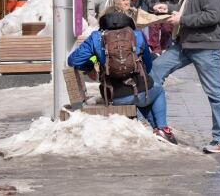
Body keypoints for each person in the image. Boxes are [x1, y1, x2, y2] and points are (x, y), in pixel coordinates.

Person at [151, 0, 220, 154]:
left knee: (214, 91)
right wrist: (168, 8)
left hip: (206, 44)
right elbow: (189, 9)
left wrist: (182, 19)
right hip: (186, 42)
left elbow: (212, 16)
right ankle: (155, 124)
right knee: (155, 71)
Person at [68, 9, 176, 143]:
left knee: (143, 94)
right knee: (157, 91)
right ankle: (162, 129)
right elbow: (148, 66)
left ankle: (158, 130)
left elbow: (73, 60)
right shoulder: (137, 35)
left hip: (115, 96)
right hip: (141, 92)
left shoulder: (96, 37)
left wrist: (92, 64)